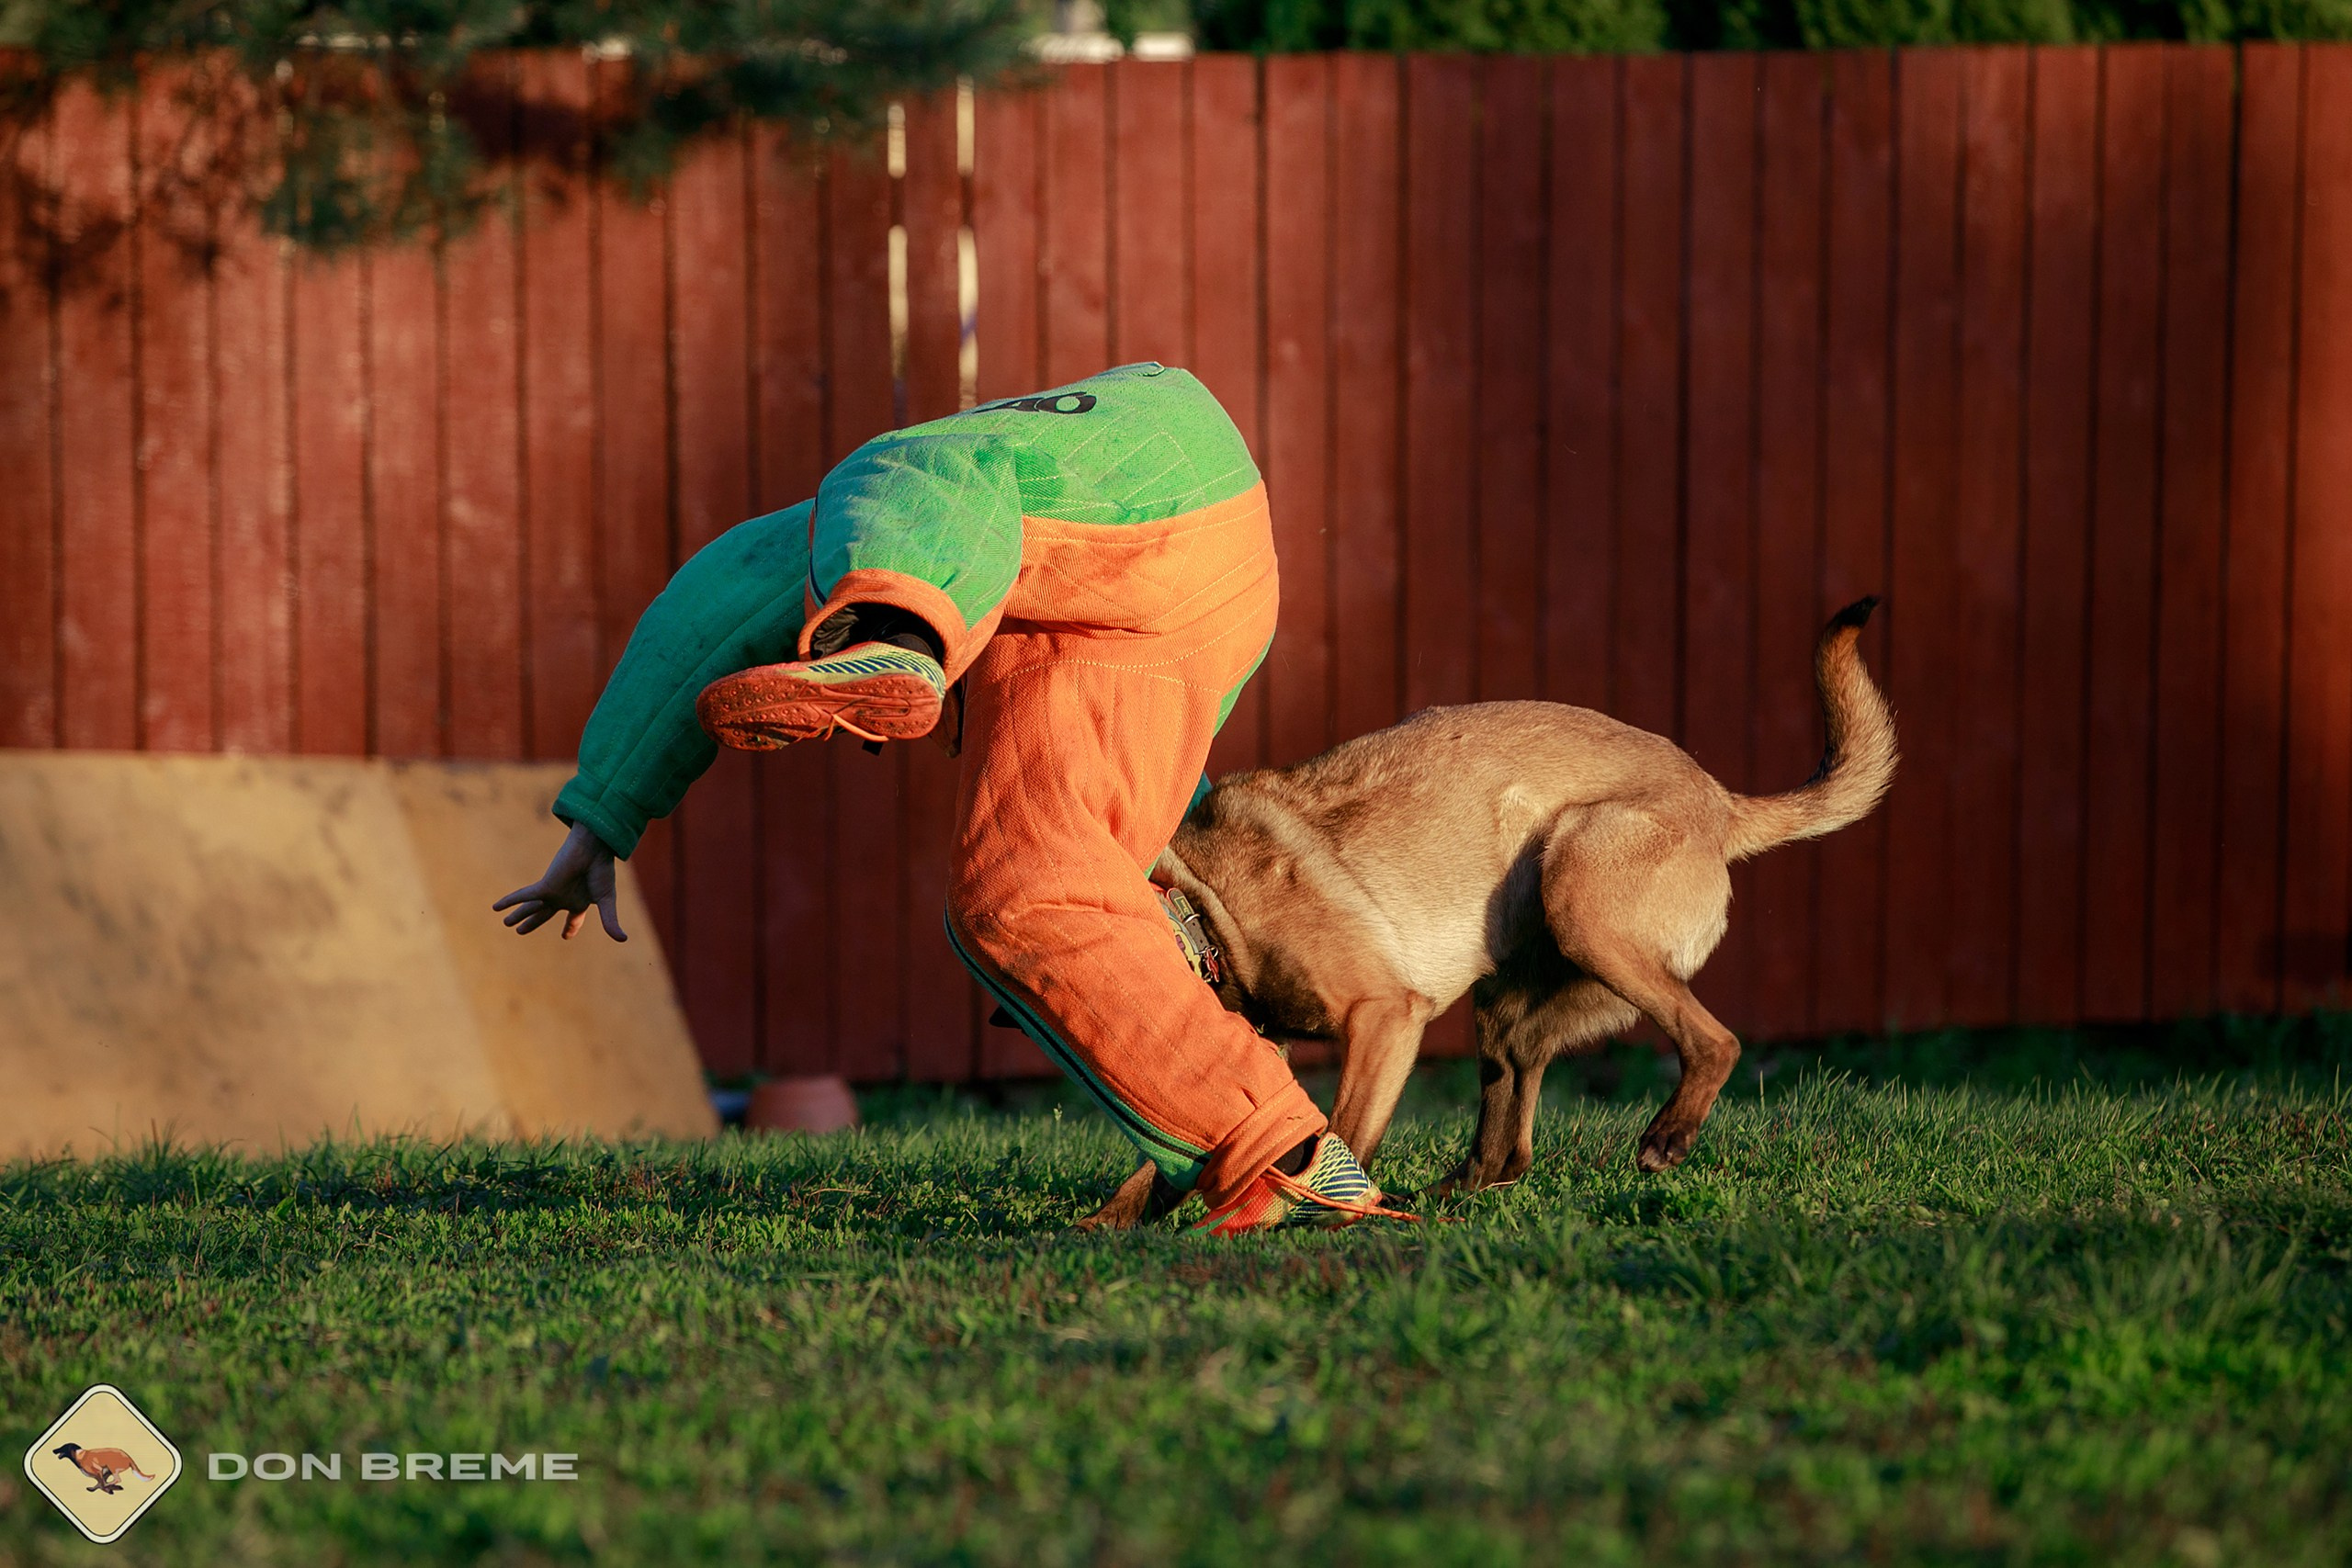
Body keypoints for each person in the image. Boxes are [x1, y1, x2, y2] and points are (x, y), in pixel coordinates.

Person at [494, 363, 1384, 1233]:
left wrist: (603, 817)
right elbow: (1140, 726)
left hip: (1125, 498)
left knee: (891, 469)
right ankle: (1288, 1157)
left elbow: (706, 606)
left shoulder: (851, 519)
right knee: (1040, 888)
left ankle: (893, 630)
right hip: (1204, 567)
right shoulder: (1049, 588)